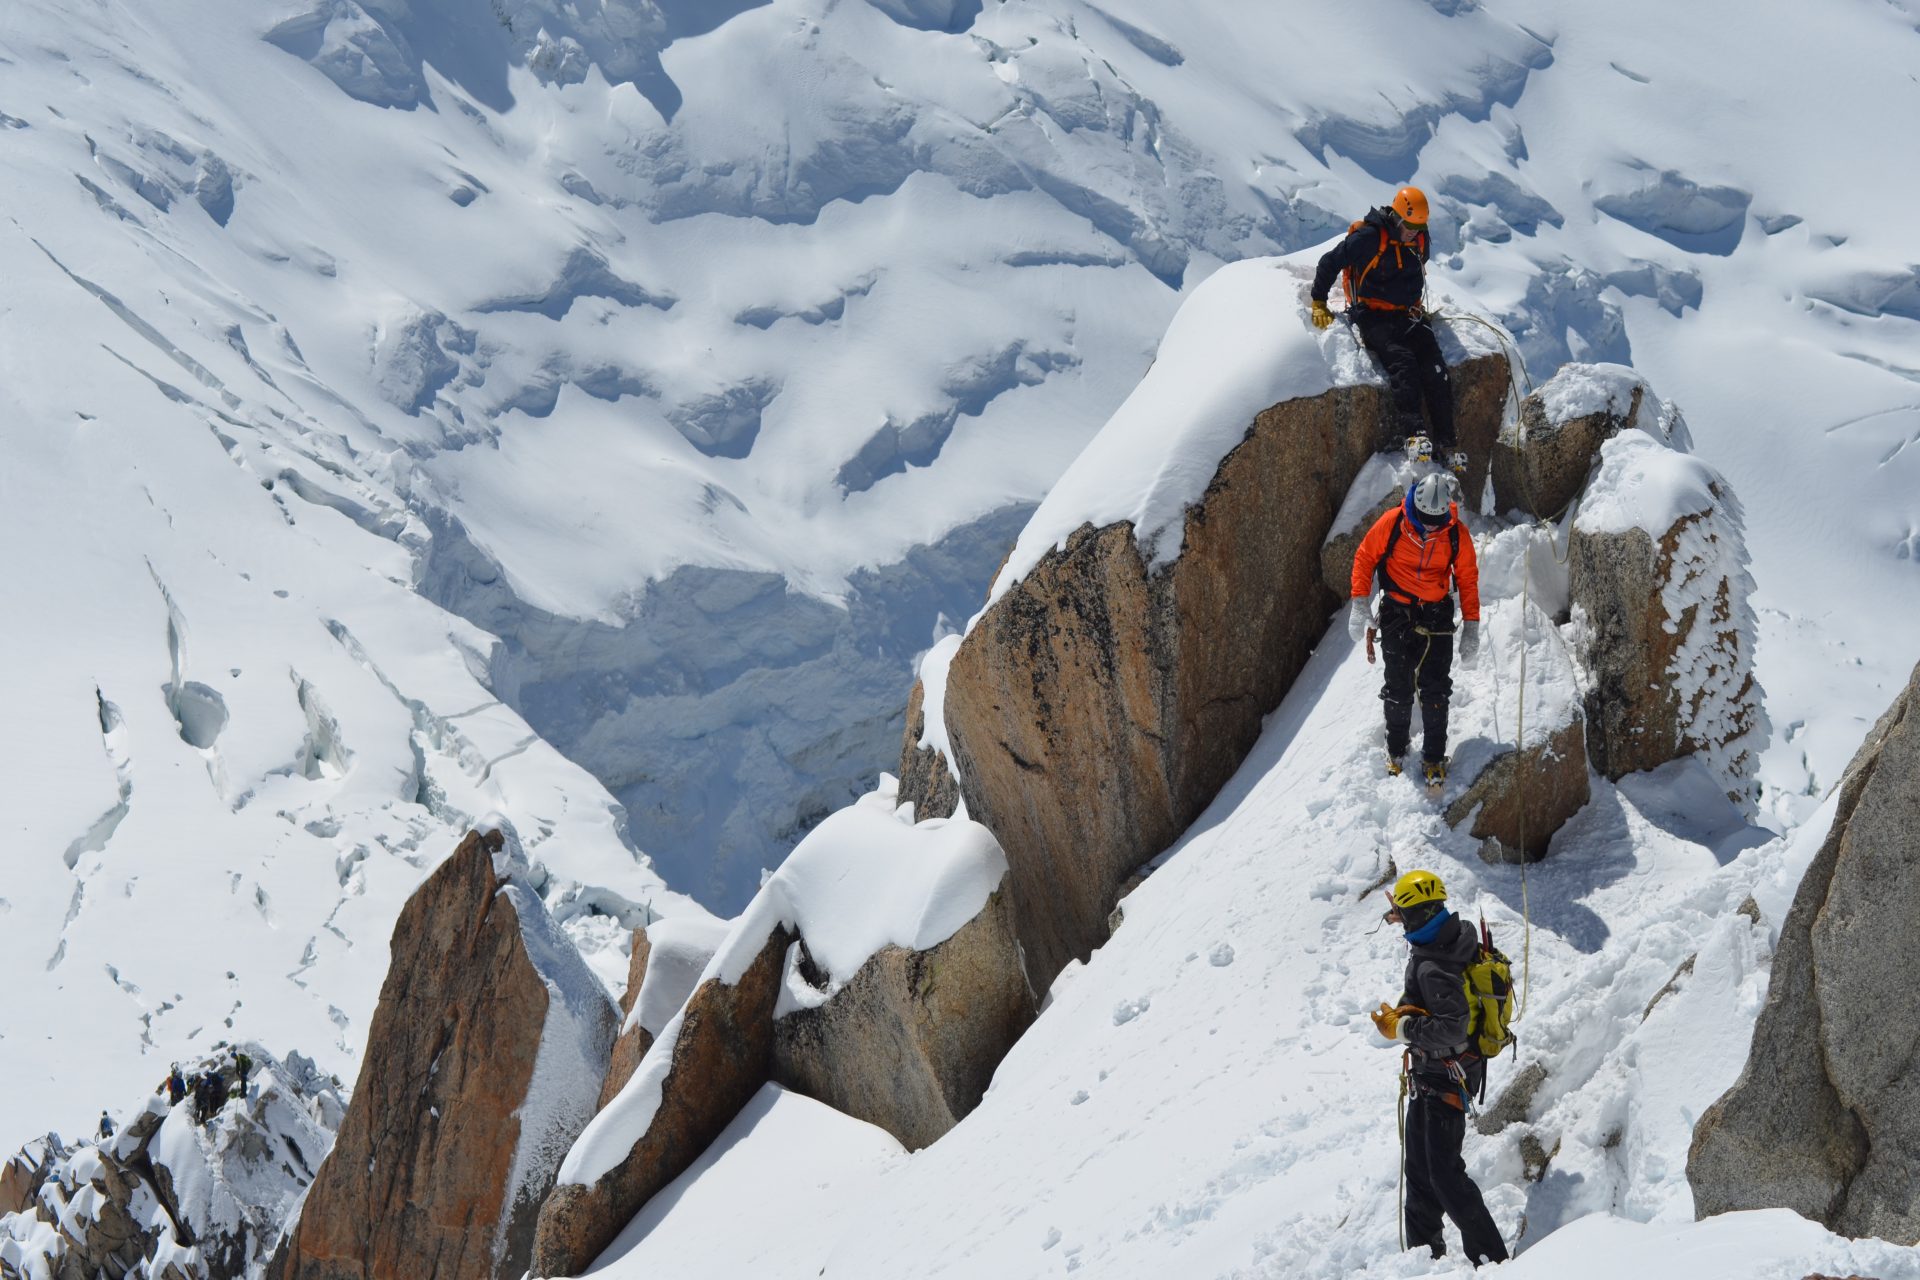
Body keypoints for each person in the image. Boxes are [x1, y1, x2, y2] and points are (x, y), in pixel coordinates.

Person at [1370, 870, 1509, 1267]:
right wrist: (1406, 912)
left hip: (1443, 1078)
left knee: (1444, 1178)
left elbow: (1453, 1026)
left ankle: (1495, 1264)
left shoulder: (1435, 966)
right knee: (1421, 1174)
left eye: (1405, 915)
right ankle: (1423, 1261)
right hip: (1441, 1076)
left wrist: (1402, 1028)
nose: (1401, 922)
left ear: (1420, 917)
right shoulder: (1453, 937)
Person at [1309, 186, 1463, 473]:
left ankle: (1448, 443)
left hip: (1409, 314)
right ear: (1397, 218)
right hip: (1373, 315)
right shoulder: (1370, 237)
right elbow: (1330, 261)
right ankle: (1416, 436)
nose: (1415, 234)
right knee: (1403, 364)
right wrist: (1318, 300)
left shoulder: (1418, 239)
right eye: (1410, 227)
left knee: (1435, 369)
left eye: (1420, 228)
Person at [1348, 475, 1480, 783]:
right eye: (1426, 520)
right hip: (1397, 611)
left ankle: (1434, 756)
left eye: (1438, 520)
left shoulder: (1456, 534)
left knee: (1436, 689)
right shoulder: (1393, 522)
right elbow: (1365, 557)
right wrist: (1359, 601)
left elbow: (1467, 579)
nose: (1432, 526)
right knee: (1398, 686)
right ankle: (1396, 748)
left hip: (1436, 614)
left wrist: (1471, 625)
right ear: (1414, 509)